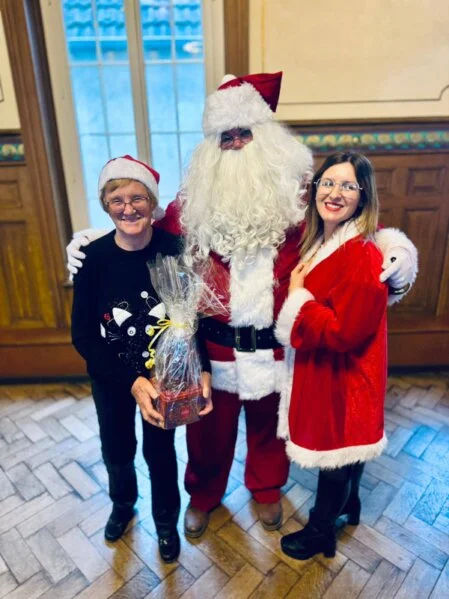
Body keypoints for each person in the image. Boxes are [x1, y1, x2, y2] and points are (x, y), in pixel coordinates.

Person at [67, 72, 418, 538]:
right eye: (224, 137)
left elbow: (351, 232)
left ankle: (266, 488)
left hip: (276, 343)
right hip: (212, 348)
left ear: (266, 138)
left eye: (243, 134)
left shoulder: (301, 197)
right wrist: (92, 240)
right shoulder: (193, 203)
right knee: (206, 430)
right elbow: (142, 230)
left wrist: (398, 250)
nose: (234, 145)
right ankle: (203, 494)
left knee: (269, 426)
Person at [71, 155, 212, 563]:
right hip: (112, 376)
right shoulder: (93, 259)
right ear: (106, 205)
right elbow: (83, 335)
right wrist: (132, 381)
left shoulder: (173, 250)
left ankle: (166, 522)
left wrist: (201, 368)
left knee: (161, 452)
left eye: (138, 198)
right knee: (117, 447)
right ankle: (122, 504)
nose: (128, 208)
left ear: (152, 203)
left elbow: (191, 319)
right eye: (117, 200)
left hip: (166, 377)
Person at [275, 151, 392, 560]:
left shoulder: (360, 253)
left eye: (347, 186)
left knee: (336, 454)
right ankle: (350, 504)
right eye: (328, 182)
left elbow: (345, 331)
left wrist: (299, 300)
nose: (335, 193)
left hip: (346, 373)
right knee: (346, 448)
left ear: (363, 196)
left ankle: (321, 532)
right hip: (334, 368)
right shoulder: (324, 239)